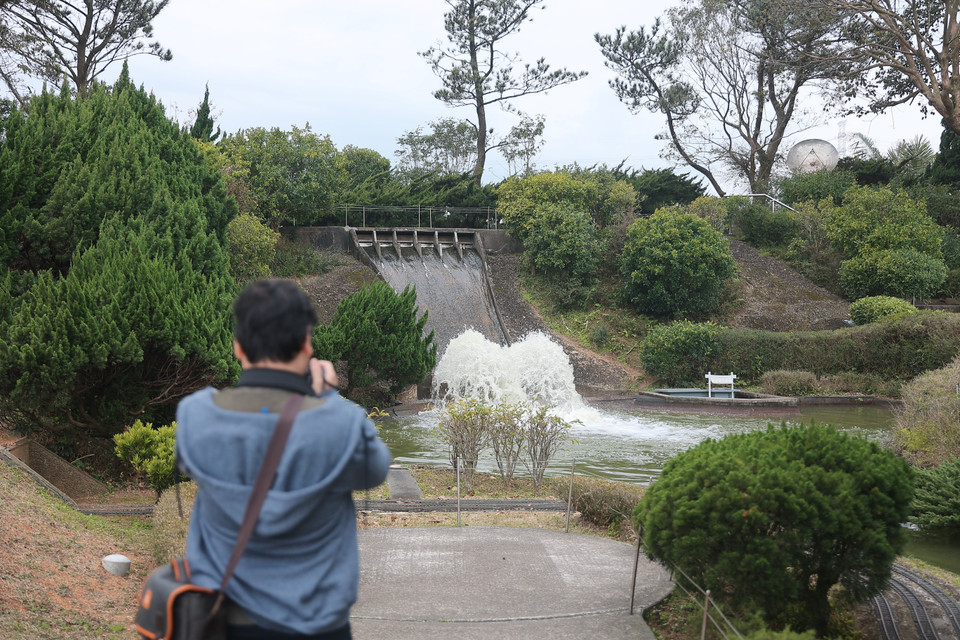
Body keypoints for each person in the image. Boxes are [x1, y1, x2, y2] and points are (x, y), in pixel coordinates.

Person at [175, 279, 392, 639]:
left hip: (223, 621)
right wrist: (329, 398)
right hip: (318, 626)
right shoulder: (343, 423)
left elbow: (187, 461)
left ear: (238, 347)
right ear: (307, 344)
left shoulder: (195, 416)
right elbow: (375, 470)